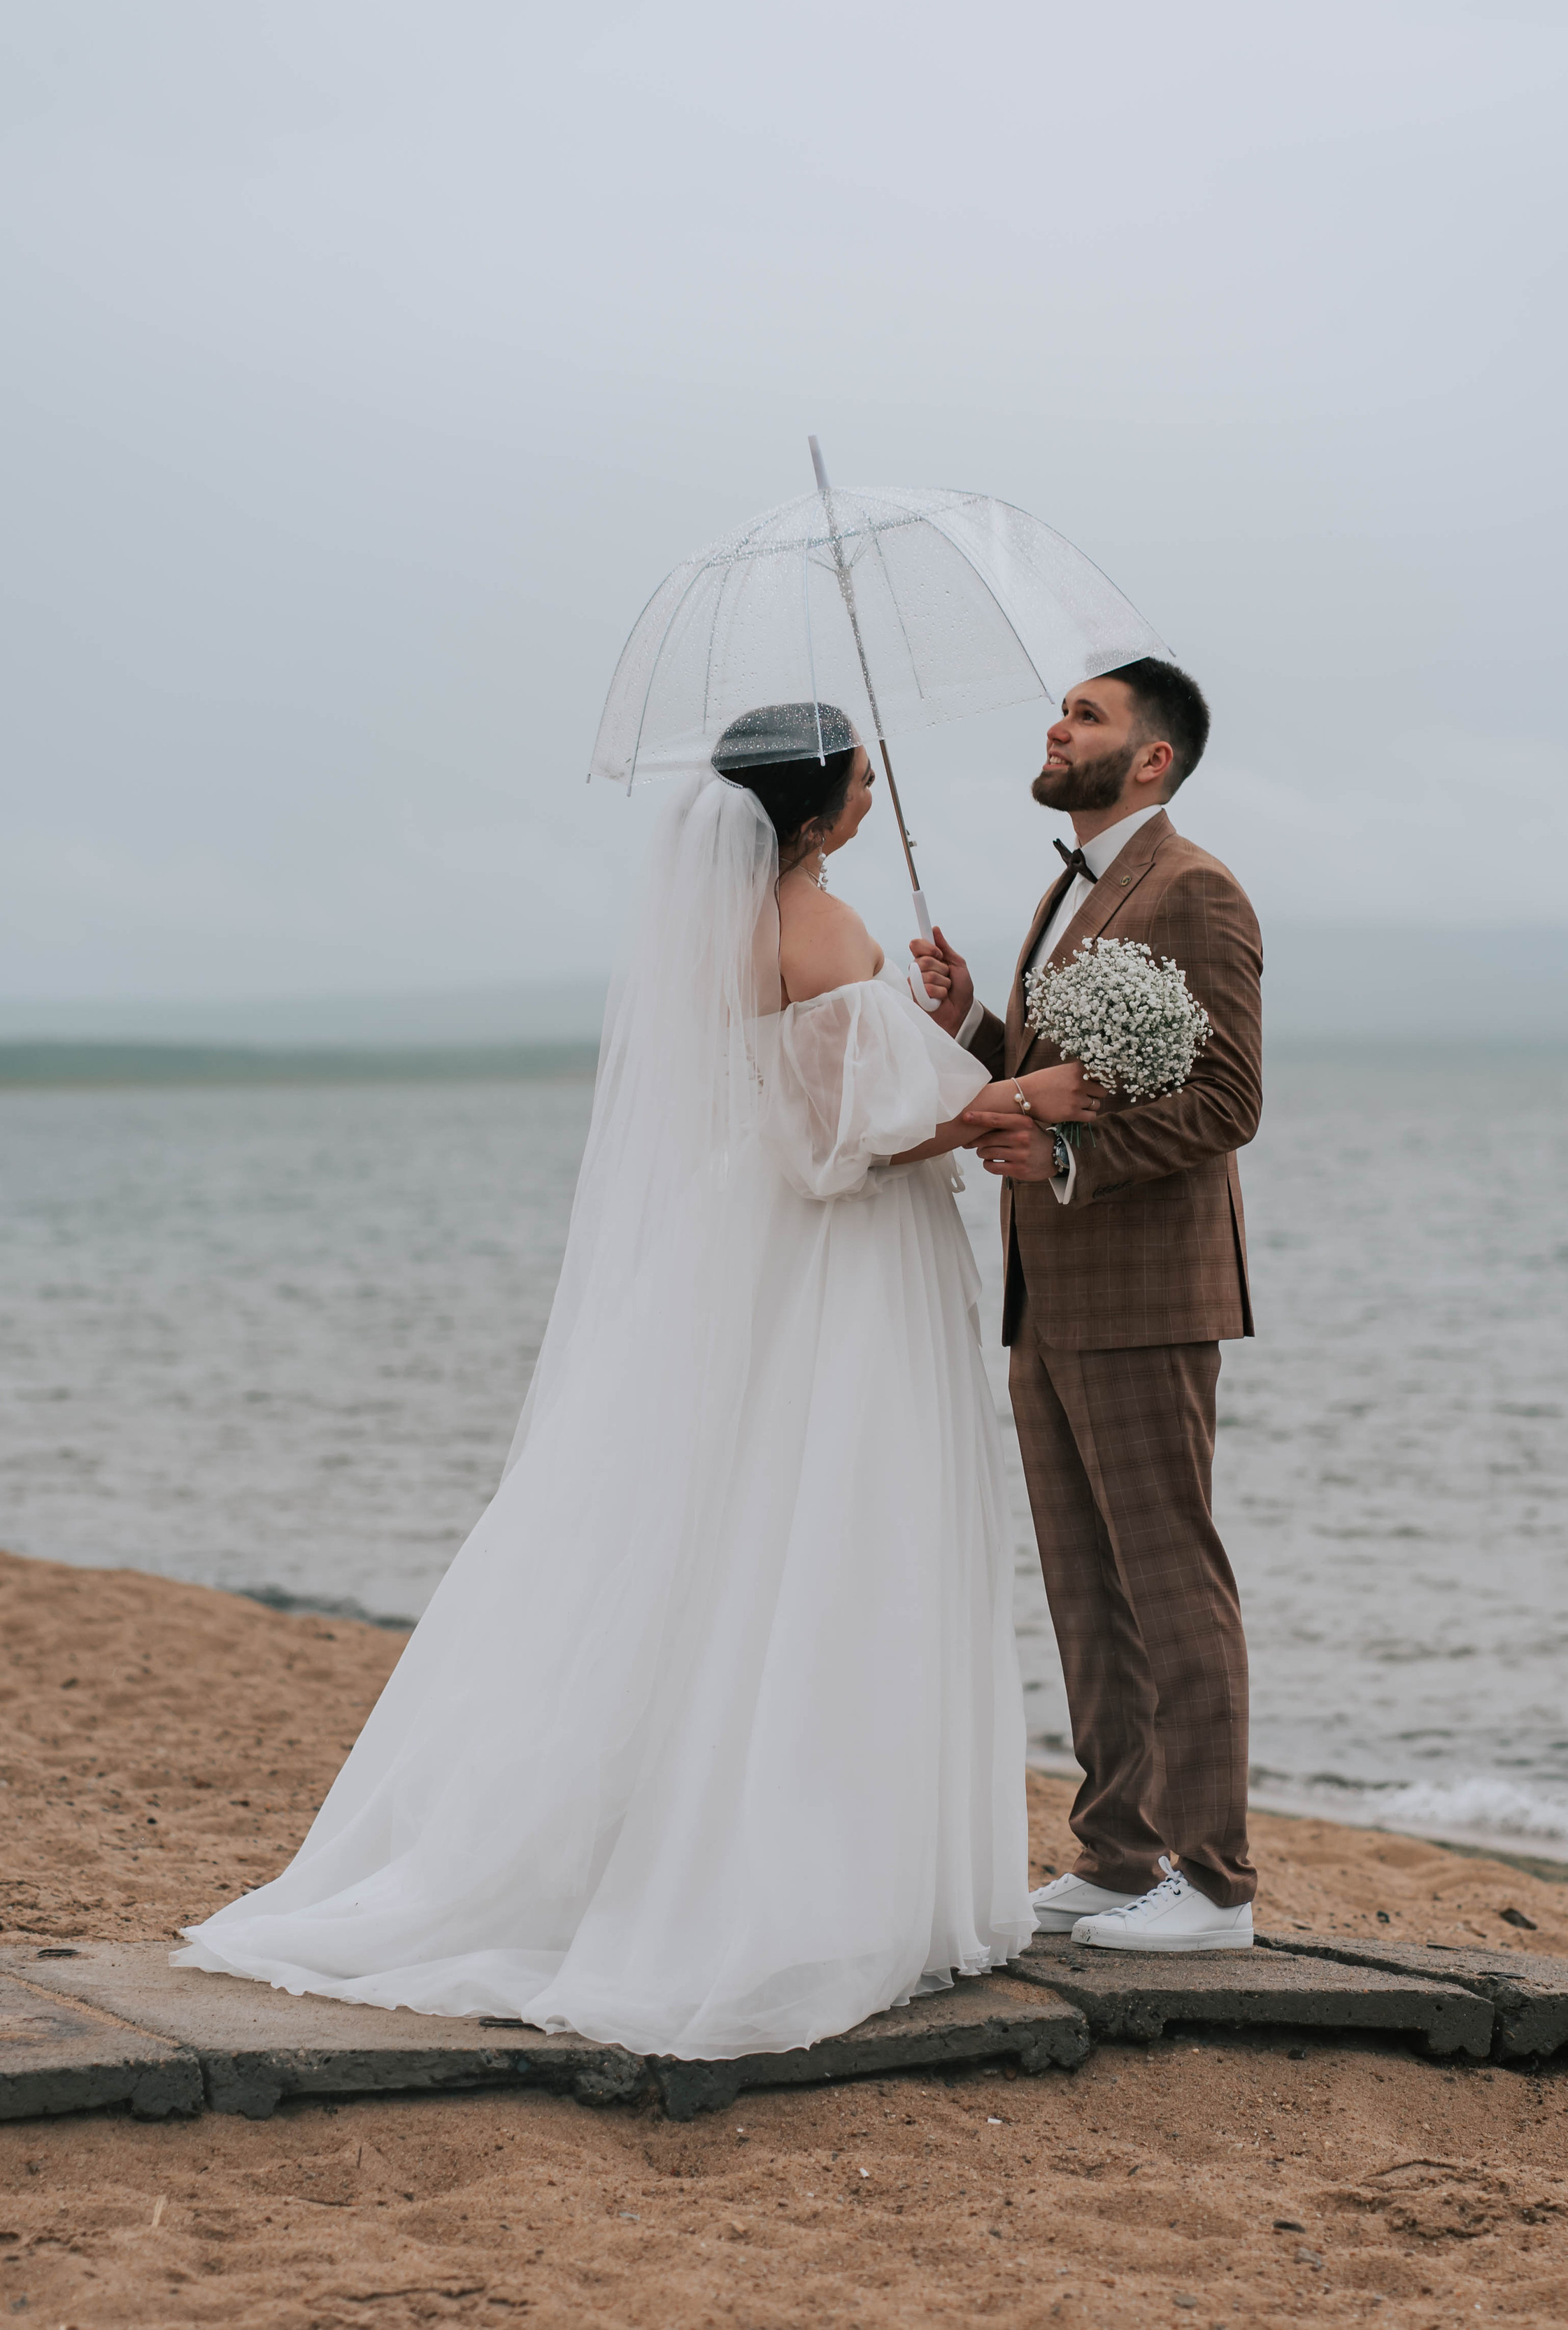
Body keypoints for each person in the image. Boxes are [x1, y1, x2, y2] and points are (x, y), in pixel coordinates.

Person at [175, 704, 1098, 2062]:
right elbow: (856, 1141)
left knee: (715, 1537)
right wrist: (1033, 1100)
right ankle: (800, 1879)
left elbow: (800, 1114)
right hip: (838, 1272)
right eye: (858, 773)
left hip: (744, 1254)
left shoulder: (726, 929)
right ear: (814, 809)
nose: (869, 786)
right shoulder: (821, 928)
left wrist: (945, 1036)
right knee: (834, 1542)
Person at [913, 658, 1263, 1953]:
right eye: (1062, 713)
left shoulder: (1196, 890)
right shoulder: (1082, 889)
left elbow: (1230, 1104)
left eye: (1088, 716)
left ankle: (1216, 1884)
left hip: (1145, 1292)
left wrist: (1068, 1160)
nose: (1058, 729)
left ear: (1153, 757)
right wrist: (974, 1031)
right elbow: (1075, 1076)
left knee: (1171, 1580)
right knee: (1083, 1586)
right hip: (1049, 1293)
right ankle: (1118, 1856)